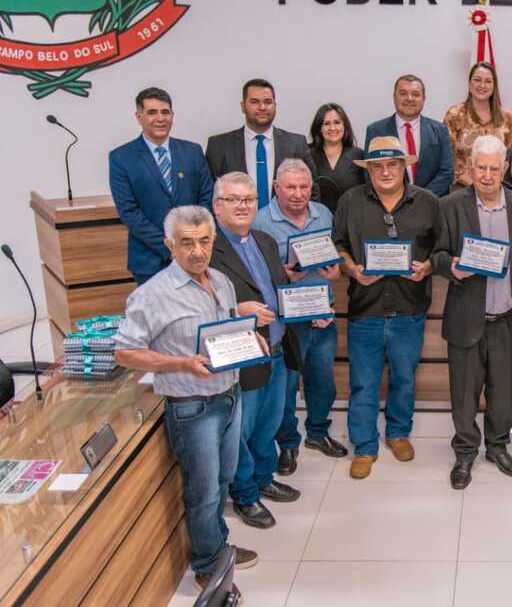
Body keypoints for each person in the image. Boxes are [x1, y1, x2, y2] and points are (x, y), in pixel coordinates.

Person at [113, 205, 257, 595]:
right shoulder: (151, 295)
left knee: (223, 479)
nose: (197, 251)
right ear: (170, 245)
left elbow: (226, 332)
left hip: (230, 396)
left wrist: (251, 341)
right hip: (192, 407)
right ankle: (208, 565)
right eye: (187, 243)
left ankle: (219, 545)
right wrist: (180, 362)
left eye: (204, 241)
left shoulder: (222, 281)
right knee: (204, 490)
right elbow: (125, 352)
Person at [432, 135, 512, 490]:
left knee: (503, 391)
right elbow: (437, 255)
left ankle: (497, 447)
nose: (487, 175)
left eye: (494, 168)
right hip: (466, 315)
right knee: (464, 392)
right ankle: (465, 452)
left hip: (508, 317)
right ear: (470, 167)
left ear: (505, 168)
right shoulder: (450, 206)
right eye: (481, 168)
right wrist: (452, 266)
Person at [333, 137, 441, 479]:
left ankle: (398, 433)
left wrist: (427, 267)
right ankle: (365, 446)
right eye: (377, 166)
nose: (385, 172)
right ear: (368, 170)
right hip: (365, 309)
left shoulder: (427, 202)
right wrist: (352, 270)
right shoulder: (350, 201)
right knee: (363, 382)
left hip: (410, 309)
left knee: (404, 378)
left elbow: (442, 248)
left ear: (403, 166)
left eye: (392, 165)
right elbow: (337, 245)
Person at [209, 172, 302, 529]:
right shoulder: (208, 249)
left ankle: (264, 478)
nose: (242, 206)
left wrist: (309, 307)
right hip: (242, 353)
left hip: (276, 347)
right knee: (241, 431)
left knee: (268, 424)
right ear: (217, 206)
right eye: (233, 199)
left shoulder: (264, 240)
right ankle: (245, 495)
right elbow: (196, 305)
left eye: (248, 199)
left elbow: (278, 291)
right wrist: (237, 309)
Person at [253, 159, 347, 478]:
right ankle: (288, 443)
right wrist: (283, 276)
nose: (297, 194)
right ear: (276, 188)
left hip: (322, 316)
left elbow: (333, 261)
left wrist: (335, 275)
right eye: (290, 187)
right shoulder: (260, 221)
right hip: (287, 321)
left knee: (323, 383)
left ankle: (318, 433)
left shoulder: (324, 214)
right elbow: (255, 276)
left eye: (303, 187)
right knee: (287, 387)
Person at [109, 87, 214, 284]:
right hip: (150, 261)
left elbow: (206, 199)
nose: (160, 118)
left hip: (196, 256)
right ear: (139, 117)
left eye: (165, 112)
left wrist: (191, 244)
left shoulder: (192, 151)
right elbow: (129, 212)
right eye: (152, 112)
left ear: (172, 115)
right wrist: (171, 248)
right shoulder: (121, 158)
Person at [205, 78, 317, 208]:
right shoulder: (218, 146)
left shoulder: (296, 144)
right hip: (235, 220)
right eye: (254, 102)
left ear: (275, 105)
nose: (262, 107)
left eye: (268, 102)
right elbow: (210, 196)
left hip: (287, 221)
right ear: (243, 106)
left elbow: (313, 191)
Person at [365, 74, 454, 197]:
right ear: (394, 97)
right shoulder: (375, 131)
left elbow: (447, 173)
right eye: (403, 93)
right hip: (390, 203)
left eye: (415, 94)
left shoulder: (440, 130)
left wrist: (421, 199)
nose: (409, 98)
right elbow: (369, 172)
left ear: (424, 99)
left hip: (432, 203)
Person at [442, 62, 512, 190]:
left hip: (496, 188)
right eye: (477, 80)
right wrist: (474, 184)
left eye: (488, 81)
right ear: (470, 84)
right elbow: (446, 158)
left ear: (494, 86)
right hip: (462, 188)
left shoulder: (507, 118)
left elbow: (511, 159)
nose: (482, 85)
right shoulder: (454, 115)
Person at [308, 103, 364, 214]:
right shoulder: (307, 155)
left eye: (337, 122)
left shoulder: (359, 155)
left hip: (352, 219)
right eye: (326, 124)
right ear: (319, 128)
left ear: (344, 126)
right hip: (317, 219)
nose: (332, 128)